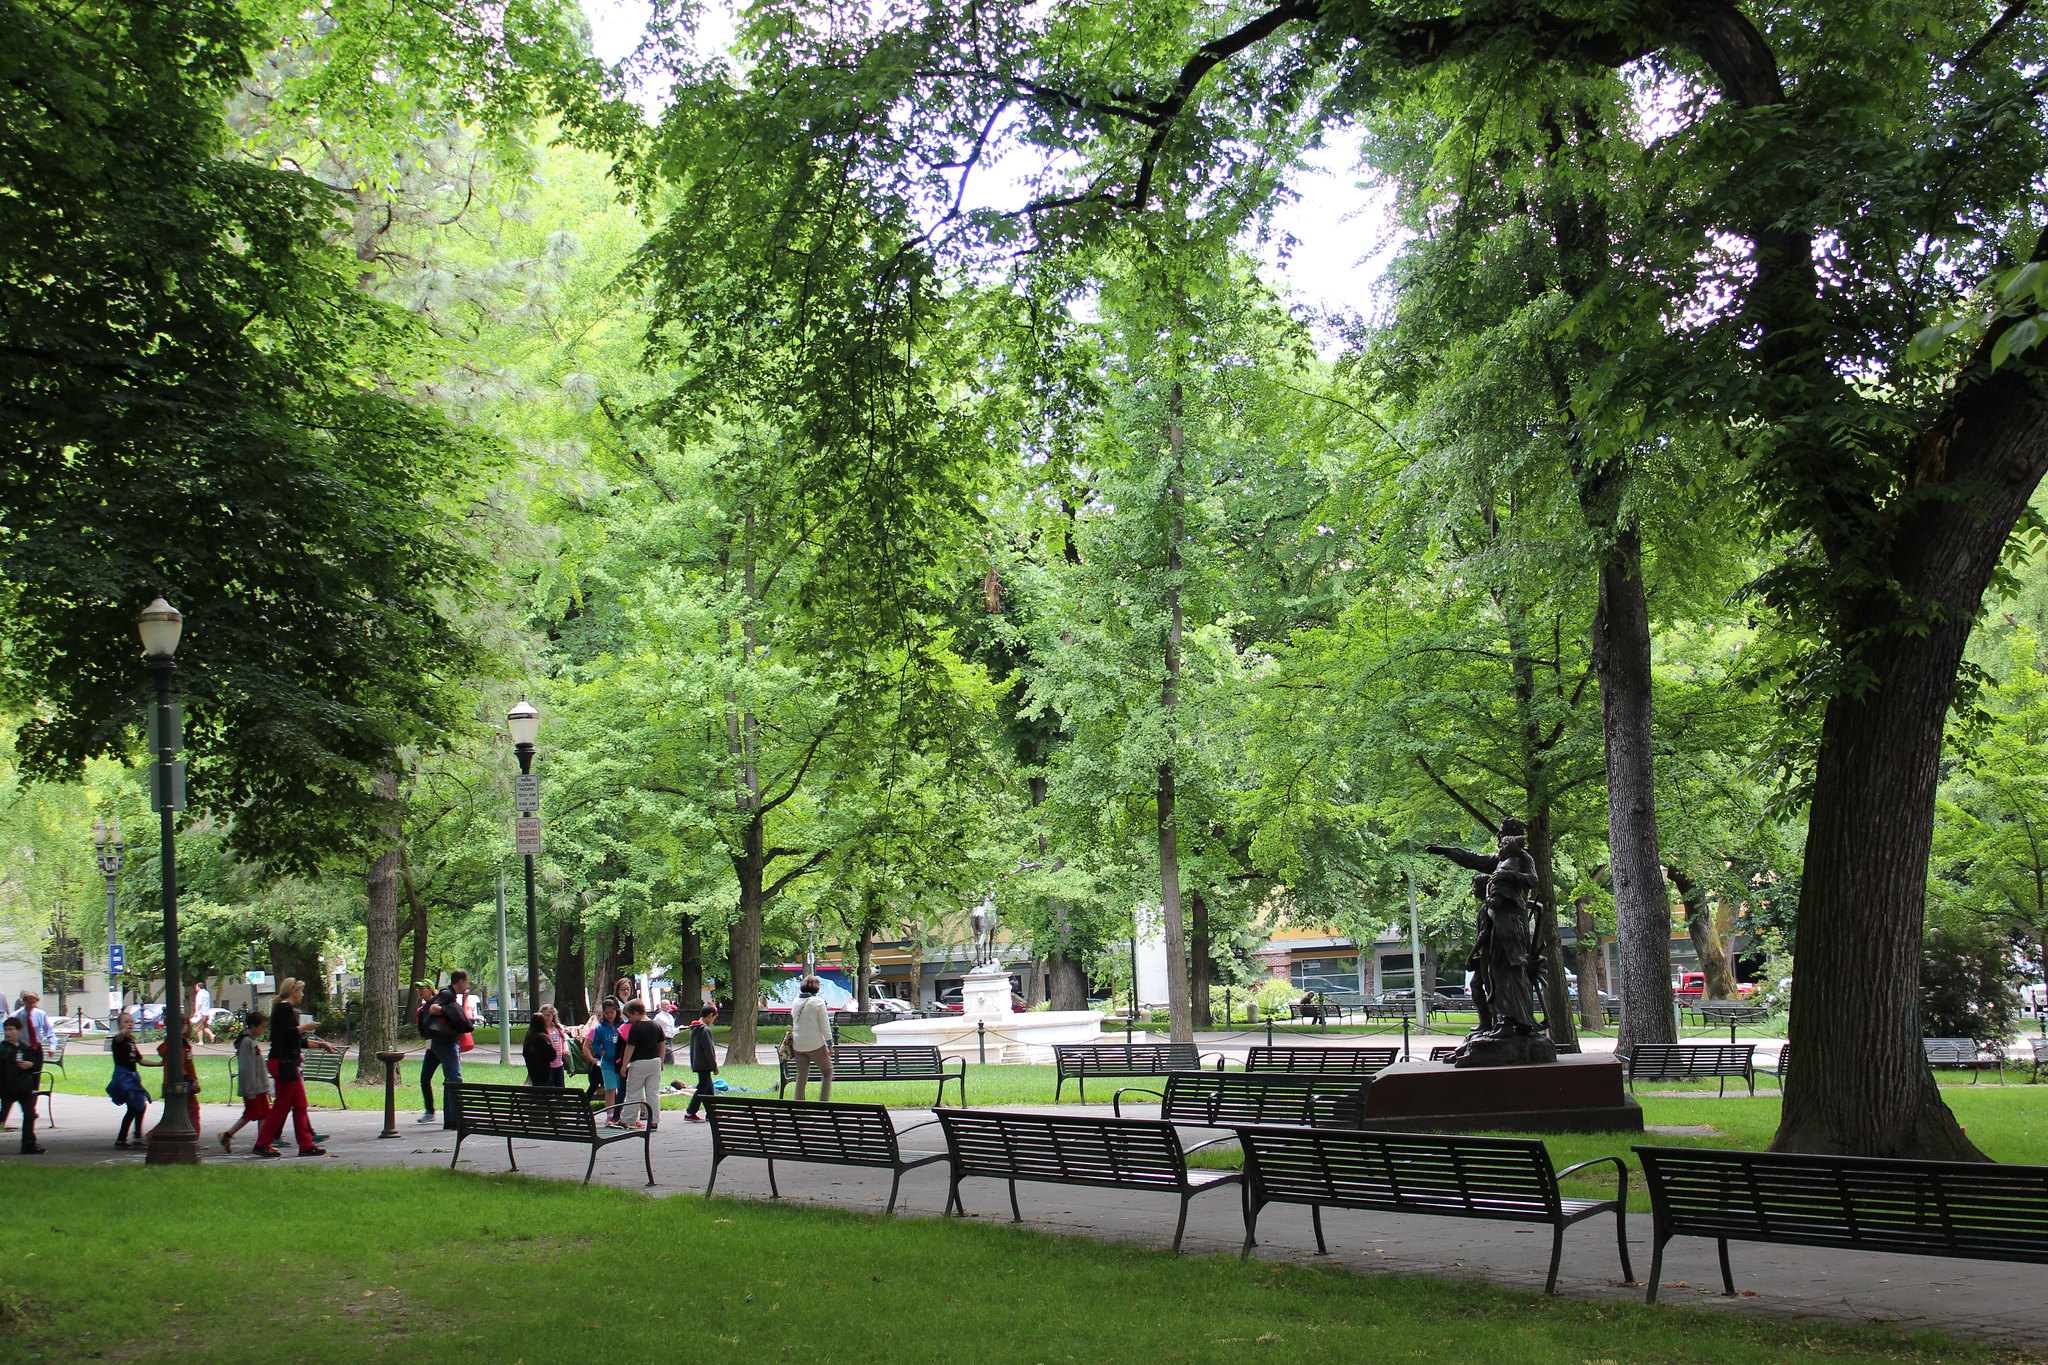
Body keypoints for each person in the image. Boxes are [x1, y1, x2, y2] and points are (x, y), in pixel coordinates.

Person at [251, 977, 335, 1158]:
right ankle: (263, 1143)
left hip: (288, 1063)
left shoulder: (284, 1009)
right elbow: (287, 1034)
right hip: (284, 1063)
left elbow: (295, 1040)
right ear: (293, 991)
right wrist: (306, 1026)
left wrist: (321, 1045)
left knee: (300, 1105)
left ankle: (306, 1144)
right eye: (301, 991)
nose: (302, 995)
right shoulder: (284, 1008)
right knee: (281, 1106)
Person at [423, 970, 473, 1126]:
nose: (467, 984)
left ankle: (452, 1118)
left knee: (451, 1078)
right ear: (460, 982)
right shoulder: (447, 994)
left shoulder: (451, 995)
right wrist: (448, 1010)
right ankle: (453, 1118)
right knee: (454, 1078)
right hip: (445, 1042)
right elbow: (433, 1009)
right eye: (467, 981)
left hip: (443, 1041)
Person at [219, 1011, 272, 1152]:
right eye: (262, 1027)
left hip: (258, 1085)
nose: (263, 1030)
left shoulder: (252, 1041)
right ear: (253, 1027)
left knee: (261, 1114)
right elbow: (247, 1067)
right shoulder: (247, 1043)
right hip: (253, 1087)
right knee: (255, 1113)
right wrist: (251, 1089)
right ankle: (261, 1143)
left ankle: (230, 1136)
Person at [615, 999, 666, 1130]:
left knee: (634, 1091)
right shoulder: (656, 1025)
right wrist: (661, 1060)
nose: (630, 1020)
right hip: (654, 1061)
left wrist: (624, 1065)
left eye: (630, 1016)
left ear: (636, 1013)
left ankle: (628, 1119)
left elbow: (630, 1047)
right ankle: (654, 1120)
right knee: (653, 1092)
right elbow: (662, 1045)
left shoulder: (636, 1028)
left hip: (638, 1063)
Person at [108, 1011, 156, 1148]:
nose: (129, 1024)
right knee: (135, 1106)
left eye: (132, 1022)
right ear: (118, 1025)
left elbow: (140, 1060)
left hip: (133, 1078)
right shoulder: (118, 1040)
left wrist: (160, 1064)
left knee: (138, 1107)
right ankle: (125, 1138)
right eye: (126, 1022)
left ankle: (130, 1137)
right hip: (123, 1077)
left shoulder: (131, 1041)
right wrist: (124, 1031)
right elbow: (119, 1037)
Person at [1, 1017, 46, 1153]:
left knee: (30, 1114)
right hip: (8, 1087)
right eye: (6, 1030)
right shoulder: (3, 1048)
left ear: (19, 1031)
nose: (8, 1033)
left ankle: (29, 1144)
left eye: (11, 1030)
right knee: (3, 1115)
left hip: (23, 1087)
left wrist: (30, 1064)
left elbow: (33, 1062)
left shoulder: (23, 1047)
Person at [154, 1015, 202, 1137]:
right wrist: (190, 1080)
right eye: (185, 1024)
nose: (187, 1026)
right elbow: (179, 1066)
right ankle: (193, 1138)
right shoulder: (178, 1045)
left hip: (182, 1082)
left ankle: (152, 1136)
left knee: (175, 1113)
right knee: (192, 1111)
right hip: (183, 1083)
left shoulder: (179, 1043)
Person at [789, 975, 833, 1101]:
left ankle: (799, 1107)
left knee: (801, 1076)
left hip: (798, 1044)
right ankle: (823, 1104)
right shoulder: (818, 1002)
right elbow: (825, 1026)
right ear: (816, 989)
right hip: (815, 1044)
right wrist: (829, 1043)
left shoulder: (795, 1002)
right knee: (827, 1071)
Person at [410, 982, 443, 1124]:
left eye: (422, 988)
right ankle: (429, 1111)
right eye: (417, 988)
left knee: (452, 1080)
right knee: (424, 1079)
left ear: (430, 989)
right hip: (431, 1048)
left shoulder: (440, 1005)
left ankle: (454, 1112)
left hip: (446, 1045)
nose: (419, 991)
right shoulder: (421, 1010)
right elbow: (422, 1032)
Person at [588, 999, 625, 1123]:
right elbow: (594, 1045)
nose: (609, 1015)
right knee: (610, 1089)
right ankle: (610, 1115)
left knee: (622, 1089)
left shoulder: (622, 1025)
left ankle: (619, 1113)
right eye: (607, 1013)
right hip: (607, 1063)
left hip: (621, 1062)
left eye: (612, 1012)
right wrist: (602, 1052)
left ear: (616, 1011)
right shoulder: (600, 1028)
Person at [683, 1003, 719, 1122]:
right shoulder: (705, 1030)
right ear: (709, 1016)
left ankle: (712, 1113)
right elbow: (709, 1050)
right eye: (713, 1018)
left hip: (697, 1063)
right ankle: (690, 1112)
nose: (713, 1021)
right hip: (705, 1064)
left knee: (709, 1089)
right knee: (703, 1088)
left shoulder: (695, 1028)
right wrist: (714, 1066)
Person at [522, 1004, 568, 1087]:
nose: (546, 1018)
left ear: (553, 1015)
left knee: (560, 1087)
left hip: (559, 1064)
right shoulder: (540, 1032)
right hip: (548, 1066)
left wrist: (565, 1048)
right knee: (548, 1087)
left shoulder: (558, 1028)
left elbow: (564, 1040)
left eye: (548, 1015)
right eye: (543, 1016)